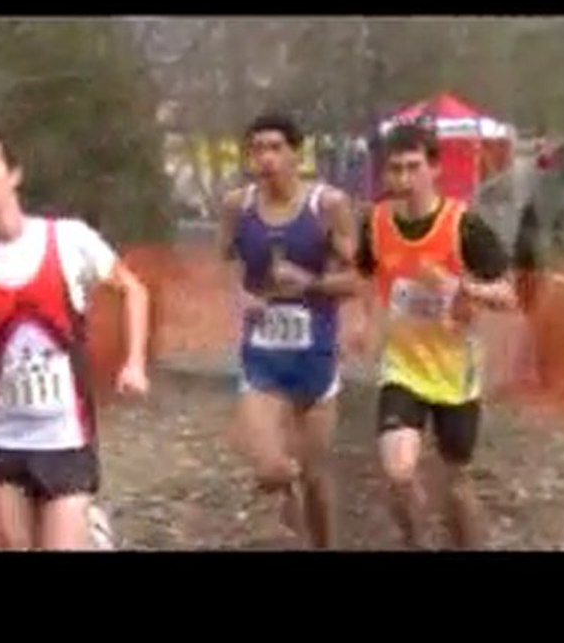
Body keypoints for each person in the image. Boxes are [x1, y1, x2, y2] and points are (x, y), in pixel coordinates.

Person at [0, 127, 150, 551]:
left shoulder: (68, 240)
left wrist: (134, 362)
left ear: (13, 174)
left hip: (64, 434)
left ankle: (88, 531)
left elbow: (133, 289)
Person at [352, 121, 516, 550]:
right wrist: (366, 321)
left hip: (454, 372)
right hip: (402, 366)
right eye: (394, 170)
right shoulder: (376, 223)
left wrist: (464, 289)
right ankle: (418, 542)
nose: (403, 180)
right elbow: (367, 276)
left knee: (455, 484)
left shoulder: (464, 226)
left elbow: (508, 294)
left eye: (413, 168)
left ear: (435, 169)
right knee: (399, 473)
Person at [218, 113, 360, 549]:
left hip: (315, 354)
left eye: (276, 148)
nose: (265, 158)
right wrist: (241, 297)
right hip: (262, 357)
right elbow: (226, 266)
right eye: (257, 149)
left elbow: (357, 280)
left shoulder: (327, 205)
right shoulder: (237, 206)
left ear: (297, 154)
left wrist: (311, 282)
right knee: (272, 469)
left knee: (315, 478)